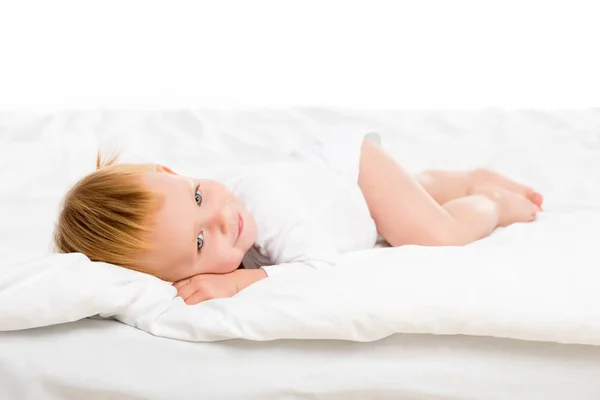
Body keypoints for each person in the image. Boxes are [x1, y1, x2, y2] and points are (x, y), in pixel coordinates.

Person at [54, 132, 543, 305]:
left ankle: (490, 199)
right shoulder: (214, 226)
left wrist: (243, 284)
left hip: (352, 171)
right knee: (407, 196)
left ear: (174, 172)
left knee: (436, 233)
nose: (222, 220)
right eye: (200, 244)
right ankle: (449, 179)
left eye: (199, 195)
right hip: (339, 195)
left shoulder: (261, 204)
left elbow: (320, 271)